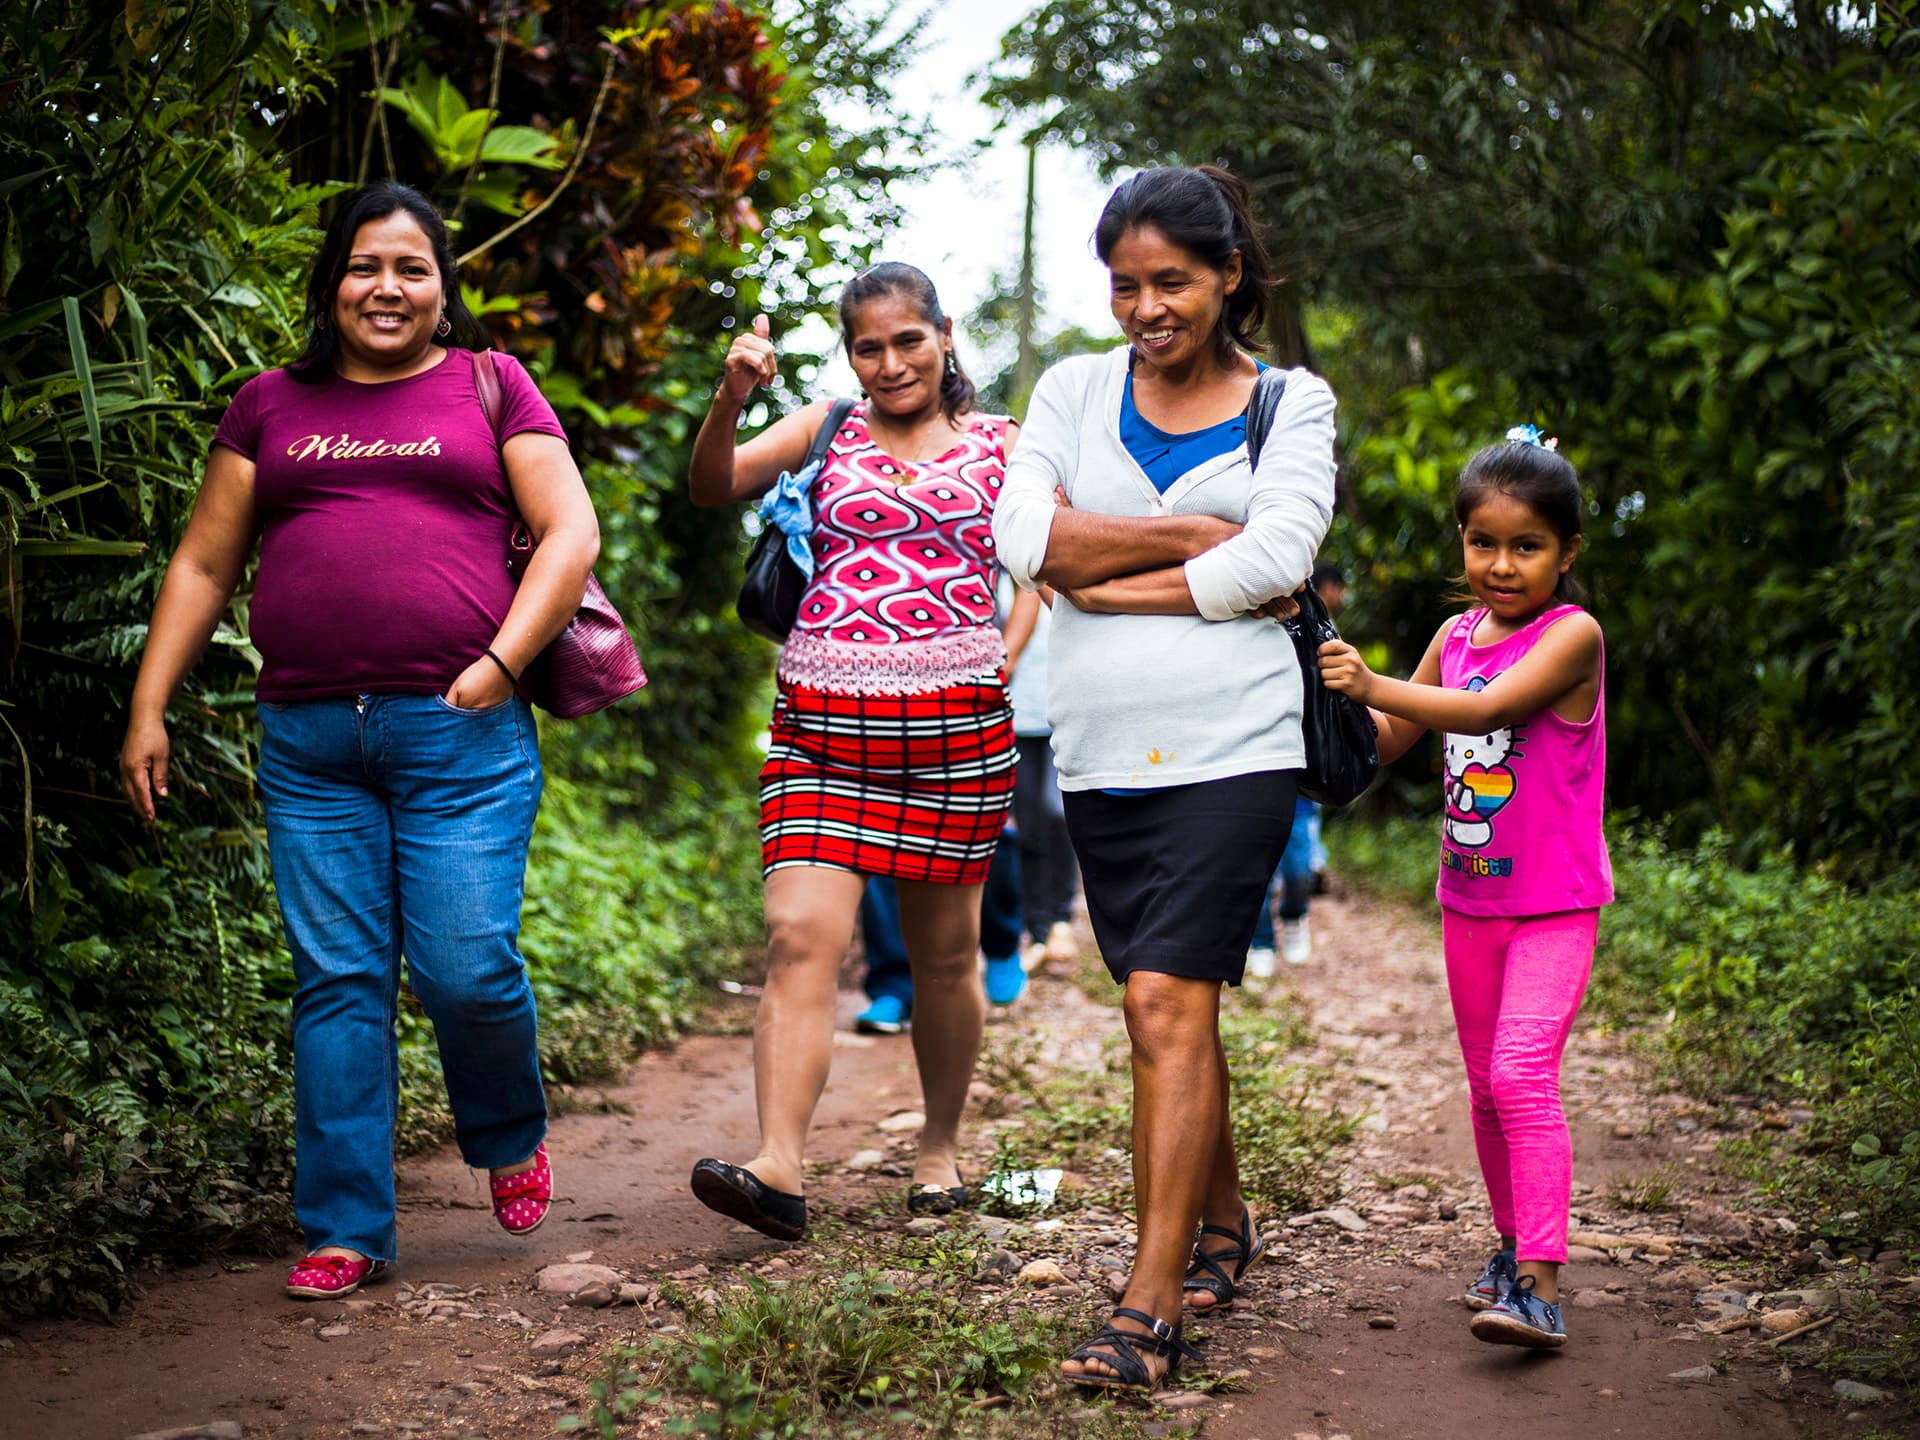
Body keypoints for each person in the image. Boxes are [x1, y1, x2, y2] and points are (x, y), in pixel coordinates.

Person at [119, 181, 600, 1301]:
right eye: (364, 267)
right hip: (308, 739)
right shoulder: (269, 404)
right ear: (331, 283)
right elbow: (202, 563)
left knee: (465, 967)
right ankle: (347, 1228)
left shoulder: (492, 386)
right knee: (337, 982)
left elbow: (570, 531)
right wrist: (149, 705)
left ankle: (505, 1128)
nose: (387, 288)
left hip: (461, 731)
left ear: (442, 290)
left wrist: (500, 663)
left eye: (412, 268)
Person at [993, 165, 1336, 1391]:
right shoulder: (1074, 390)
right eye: (1127, 284)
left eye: (1173, 282)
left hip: (1236, 746)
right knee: (1164, 996)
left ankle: (1149, 1306)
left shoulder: (1290, 403)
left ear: (1229, 275)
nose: (1146, 307)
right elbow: (1024, 540)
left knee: (1161, 1004)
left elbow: (1285, 555)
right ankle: (1226, 1225)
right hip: (1097, 755)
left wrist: (1103, 573)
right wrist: (1200, 540)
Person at [686, 263, 1017, 1236]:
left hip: (958, 743)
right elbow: (713, 486)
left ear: (945, 334)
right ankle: (779, 1167)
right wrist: (731, 396)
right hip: (820, 737)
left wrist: (1010, 656)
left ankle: (940, 1146)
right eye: (868, 346)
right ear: (848, 354)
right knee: (798, 937)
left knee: (945, 958)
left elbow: (1046, 569)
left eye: (908, 340)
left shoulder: (1006, 447)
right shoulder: (824, 427)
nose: (890, 362)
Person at [1318, 426, 1611, 1350]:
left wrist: (1375, 680)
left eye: (1527, 546)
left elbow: (1483, 711)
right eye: (1483, 542)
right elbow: (1396, 738)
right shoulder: (1455, 634)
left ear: (1566, 553)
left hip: (1553, 904)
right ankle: (1510, 1247)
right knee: (1487, 1088)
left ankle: (1541, 1285)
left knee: (1524, 1075)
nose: (1501, 564)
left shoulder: (1573, 637)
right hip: (1470, 902)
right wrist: (1322, 689)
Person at [1248, 559, 1346, 974]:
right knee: (1255, 864)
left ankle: (1293, 917)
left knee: (1299, 864)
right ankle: (1261, 942)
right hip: (1252, 761)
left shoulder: (1318, 629)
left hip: (1300, 765)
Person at [1002, 578, 1081, 974]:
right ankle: (1037, 929)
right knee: (1028, 827)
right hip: (1015, 720)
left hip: (1062, 719)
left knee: (1058, 815)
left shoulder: (1060, 576)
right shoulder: (996, 576)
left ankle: (1062, 917)